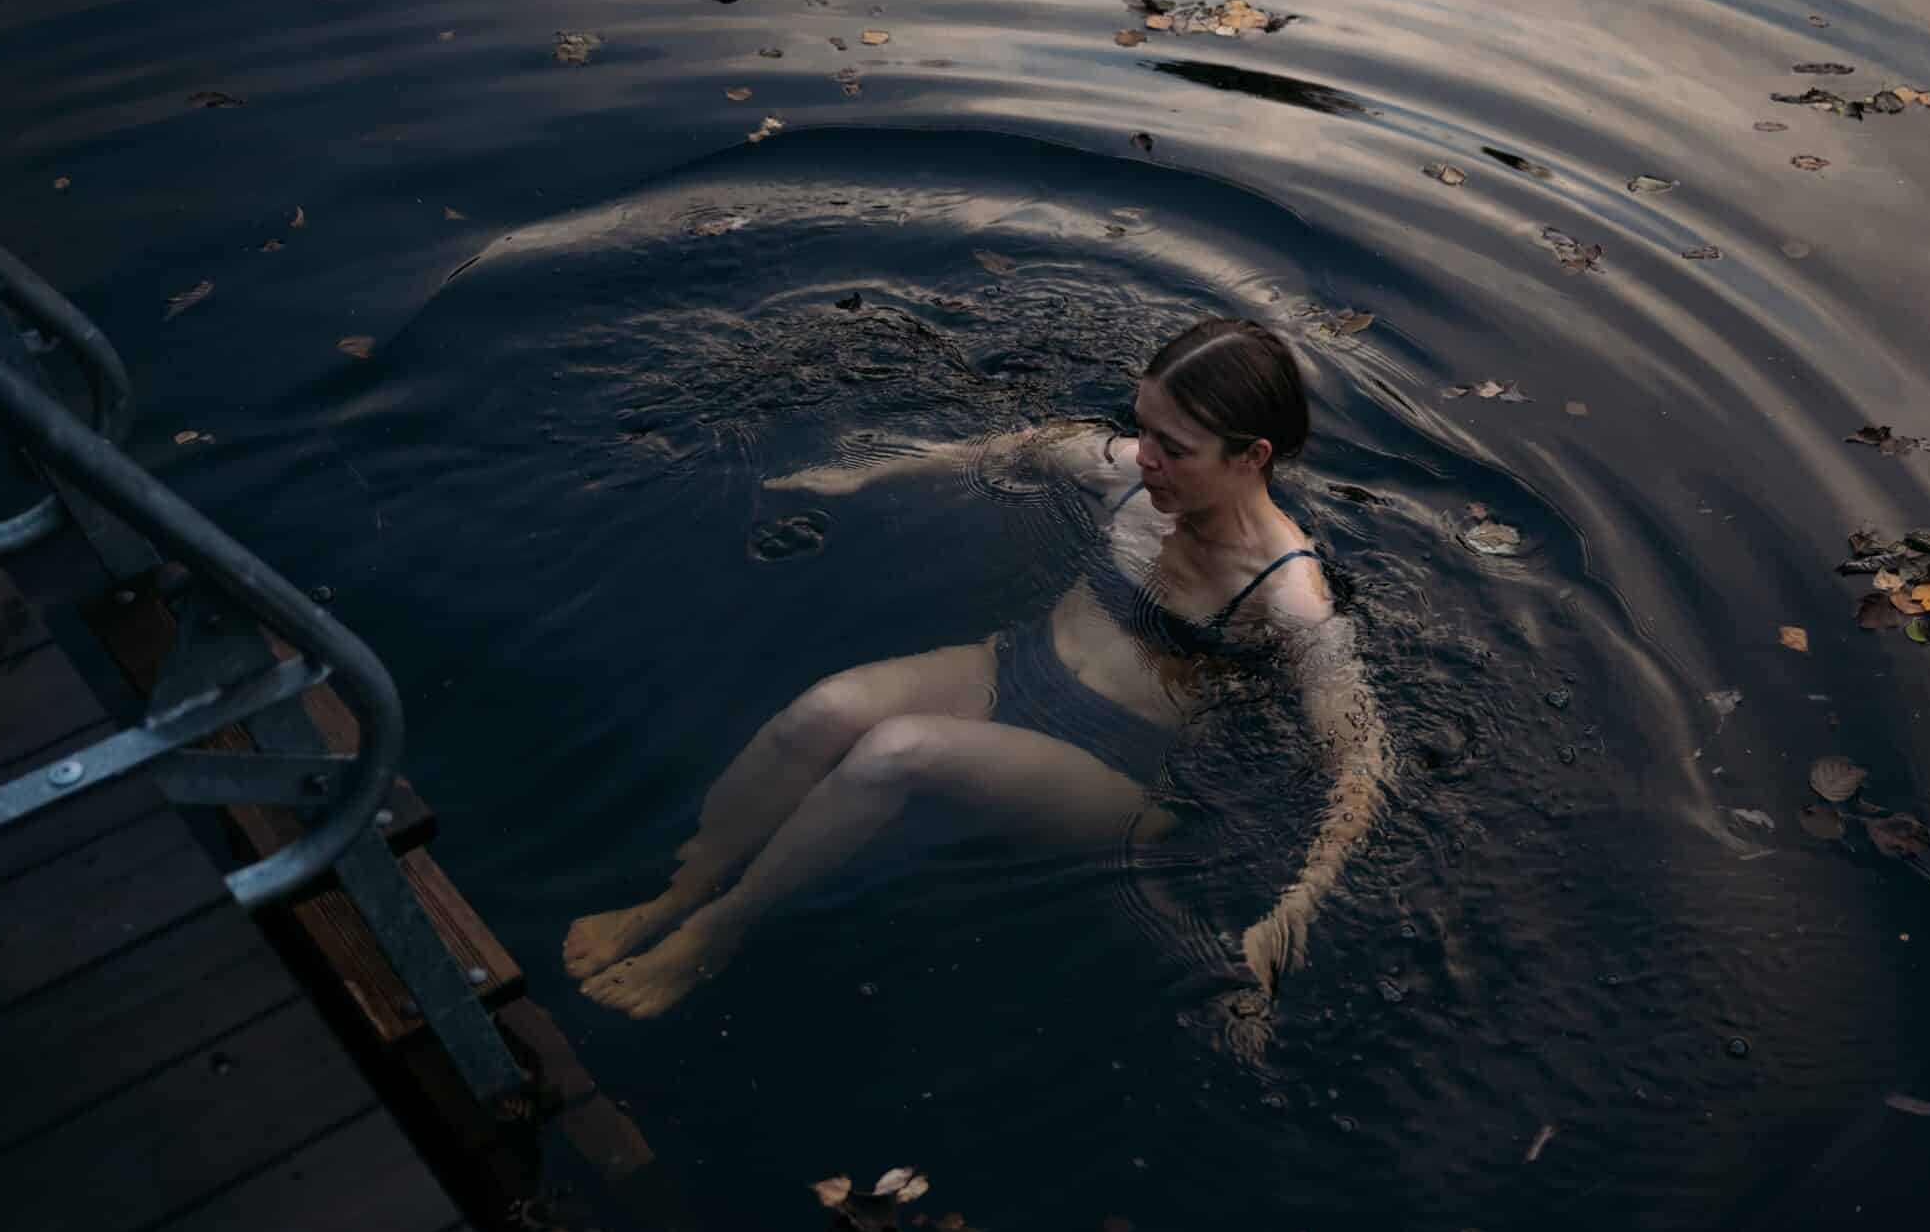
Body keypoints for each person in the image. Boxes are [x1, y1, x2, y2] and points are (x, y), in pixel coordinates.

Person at [565, 317, 1392, 1023]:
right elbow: (1020, 446)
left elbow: (1360, 763)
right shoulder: (1128, 476)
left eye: (1172, 448)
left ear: (1251, 456)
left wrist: (1293, 908)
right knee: (821, 710)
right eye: (1141, 428)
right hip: (1012, 669)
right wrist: (865, 472)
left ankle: (717, 931)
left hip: (1114, 767)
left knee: (897, 751)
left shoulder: (1290, 595)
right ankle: (680, 892)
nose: (1143, 456)